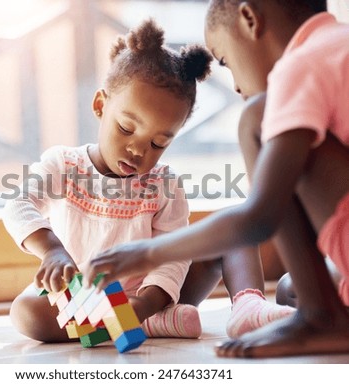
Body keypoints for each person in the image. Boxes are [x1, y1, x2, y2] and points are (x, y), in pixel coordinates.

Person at [85, 0, 349, 358]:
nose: (237, 86)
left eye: (225, 61)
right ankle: (320, 311)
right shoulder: (338, 44)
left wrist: (147, 253)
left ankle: (320, 318)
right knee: (290, 290)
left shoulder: (299, 66)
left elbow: (259, 219)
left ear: (250, 19)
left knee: (257, 117)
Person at [3, 19, 291, 344]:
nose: (138, 150)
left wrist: (148, 301)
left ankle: (247, 309)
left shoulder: (164, 186)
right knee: (26, 313)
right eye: (126, 128)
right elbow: (17, 203)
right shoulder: (63, 164)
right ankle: (148, 324)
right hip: (86, 297)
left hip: (156, 295)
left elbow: (175, 254)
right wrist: (52, 251)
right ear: (101, 105)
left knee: (235, 231)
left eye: (158, 144)